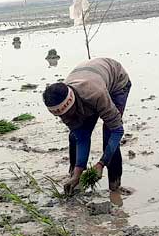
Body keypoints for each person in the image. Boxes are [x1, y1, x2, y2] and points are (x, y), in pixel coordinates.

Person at [42, 57, 131, 204]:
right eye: (62, 117)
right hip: (91, 76)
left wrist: (100, 164)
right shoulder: (63, 108)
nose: (66, 119)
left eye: (68, 114)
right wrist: (78, 172)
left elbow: (118, 130)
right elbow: (82, 137)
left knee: (108, 135)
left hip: (117, 82)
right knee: (74, 136)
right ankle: (74, 177)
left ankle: (115, 188)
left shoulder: (95, 94)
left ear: (73, 103)